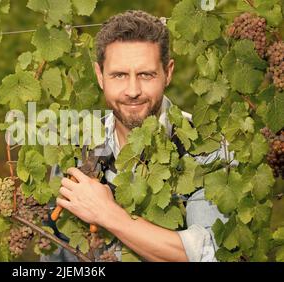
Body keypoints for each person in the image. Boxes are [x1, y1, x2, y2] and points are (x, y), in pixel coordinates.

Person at [41, 10, 233, 262]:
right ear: (99, 76)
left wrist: (108, 214)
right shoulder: (76, 149)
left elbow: (209, 254)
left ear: (168, 72)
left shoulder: (206, 146)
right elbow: (56, 257)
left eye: (146, 74)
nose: (133, 91)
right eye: (119, 75)